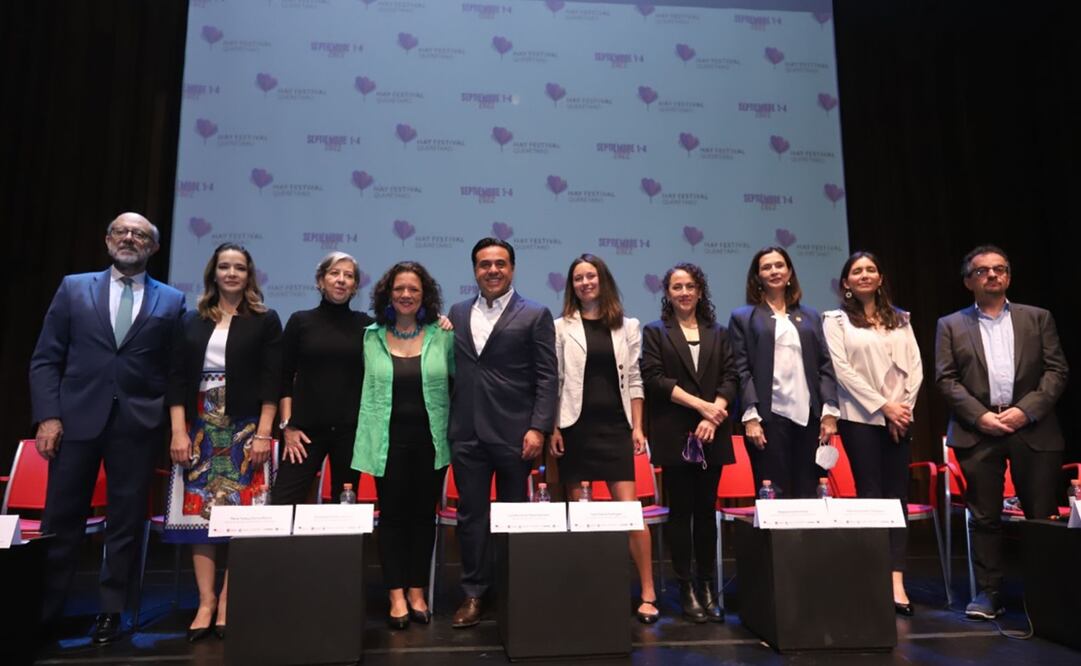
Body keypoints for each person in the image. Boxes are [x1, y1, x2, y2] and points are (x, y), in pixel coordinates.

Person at [29, 213, 185, 644]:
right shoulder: (74, 288)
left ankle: (112, 613)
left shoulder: (171, 301)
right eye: (122, 231)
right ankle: (45, 613)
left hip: (138, 425)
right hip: (74, 420)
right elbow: (46, 357)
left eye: (140, 234)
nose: (129, 238)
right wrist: (49, 415)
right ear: (107, 240)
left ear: (153, 247)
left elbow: (175, 370)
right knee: (61, 521)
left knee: (125, 522)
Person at [935, 245, 1068, 620]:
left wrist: (1024, 412)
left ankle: (1046, 596)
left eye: (999, 269)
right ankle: (989, 593)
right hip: (978, 431)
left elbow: (1057, 372)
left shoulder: (1038, 318)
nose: (992, 275)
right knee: (984, 517)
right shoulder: (950, 325)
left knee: (1040, 517)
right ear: (968, 281)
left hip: (1033, 428)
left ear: (1008, 277)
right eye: (982, 271)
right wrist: (981, 417)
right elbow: (945, 380)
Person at [165, 243, 282, 641]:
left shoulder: (265, 320)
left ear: (250, 275)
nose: (232, 274)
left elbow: (273, 382)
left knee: (244, 517)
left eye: (240, 268)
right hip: (199, 428)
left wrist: (265, 433)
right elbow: (177, 378)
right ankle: (206, 601)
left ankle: (231, 601)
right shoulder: (192, 320)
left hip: (247, 430)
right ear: (213, 273)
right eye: (224, 267)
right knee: (202, 516)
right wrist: (178, 430)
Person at [446, 238, 558, 628]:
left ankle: (513, 592)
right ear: (474, 269)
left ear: (512, 268)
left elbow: (547, 376)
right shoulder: (456, 313)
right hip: (466, 433)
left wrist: (538, 428)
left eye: (500, 263)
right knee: (471, 517)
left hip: (516, 434)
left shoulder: (535, 313)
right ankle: (475, 594)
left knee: (514, 517)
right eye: (483, 264)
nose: (492, 270)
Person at [549, 254, 658, 624]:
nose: (585, 283)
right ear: (572, 286)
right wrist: (553, 428)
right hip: (573, 427)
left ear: (602, 280)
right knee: (577, 515)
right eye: (578, 278)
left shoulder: (627, 326)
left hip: (616, 427)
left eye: (590, 276)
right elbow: (556, 381)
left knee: (630, 514)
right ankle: (584, 587)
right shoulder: (560, 327)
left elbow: (637, 381)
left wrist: (638, 427)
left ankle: (647, 591)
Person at [352, 261, 453, 629]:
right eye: (399, 289)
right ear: (388, 295)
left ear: (424, 295)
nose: (406, 295)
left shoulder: (443, 336)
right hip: (386, 443)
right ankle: (395, 593)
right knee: (392, 518)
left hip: (431, 443)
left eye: (413, 289)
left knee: (423, 518)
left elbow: (461, 384)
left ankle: (416, 590)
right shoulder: (369, 336)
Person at [823, 251, 923, 616]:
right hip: (860, 417)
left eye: (870, 270)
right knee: (871, 495)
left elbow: (915, 366)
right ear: (846, 283)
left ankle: (896, 579)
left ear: (880, 278)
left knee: (898, 498)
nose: (864, 275)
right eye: (856, 271)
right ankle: (873, 576)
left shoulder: (901, 319)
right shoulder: (835, 321)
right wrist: (884, 407)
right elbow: (842, 370)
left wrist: (902, 410)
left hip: (900, 419)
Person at [640, 263, 738, 623]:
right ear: (668, 293)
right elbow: (654, 379)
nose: (684, 293)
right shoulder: (656, 332)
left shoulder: (720, 332)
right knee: (680, 514)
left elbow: (732, 376)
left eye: (690, 286)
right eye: (677, 287)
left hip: (714, 432)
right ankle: (685, 587)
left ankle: (707, 584)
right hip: (675, 433)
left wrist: (716, 413)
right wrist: (702, 408)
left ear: (700, 291)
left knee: (705, 513)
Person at [728, 247, 839, 498]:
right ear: (757, 277)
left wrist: (829, 411)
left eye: (779, 265)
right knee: (773, 495)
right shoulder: (743, 317)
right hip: (767, 419)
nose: (774, 271)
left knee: (808, 492)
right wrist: (751, 416)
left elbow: (825, 366)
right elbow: (741, 369)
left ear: (789, 272)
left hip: (809, 418)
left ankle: (807, 539)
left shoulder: (810, 316)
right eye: (766, 267)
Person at [271, 252, 373, 507]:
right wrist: (288, 426)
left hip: (350, 434)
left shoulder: (368, 326)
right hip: (303, 432)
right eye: (334, 273)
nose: (341, 280)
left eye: (348, 276)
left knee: (344, 512)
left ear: (355, 286)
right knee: (283, 503)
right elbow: (283, 377)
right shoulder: (300, 321)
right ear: (320, 281)